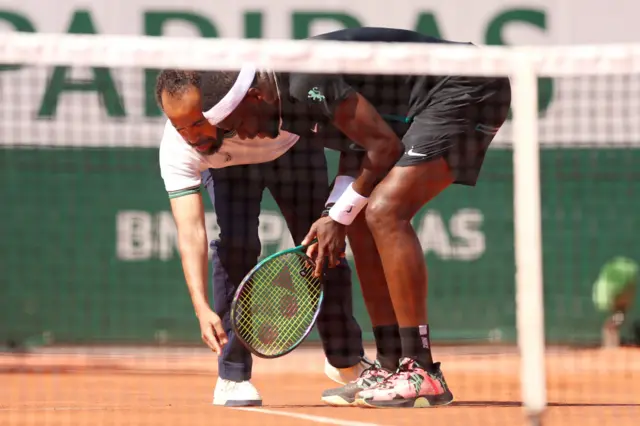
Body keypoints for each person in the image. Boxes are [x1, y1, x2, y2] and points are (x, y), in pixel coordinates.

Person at [200, 27, 512, 409]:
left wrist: (340, 214)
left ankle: (423, 370)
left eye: (235, 124)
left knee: (385, 211)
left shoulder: (305, 79)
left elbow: (384, 145)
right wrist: (338, 213)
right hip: (431, 101)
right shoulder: (286, 106)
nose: (238, 135)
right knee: (363, 216)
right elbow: (360, 143)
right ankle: (389, 364)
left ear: (255, 96)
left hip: (468, 85)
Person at [155, 69, 370, 407]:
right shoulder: (180, 149)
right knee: (236, 249)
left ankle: (347, 362)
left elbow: (356, 142)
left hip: (293, 152)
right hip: (228, 170)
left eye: (198, 123)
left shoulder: (272, 105)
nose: (189, 136)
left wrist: (332, 216)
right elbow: (191, 232)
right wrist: (200, 307)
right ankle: (232, 376)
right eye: (179, 126)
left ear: (218, 107)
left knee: (322, 248)